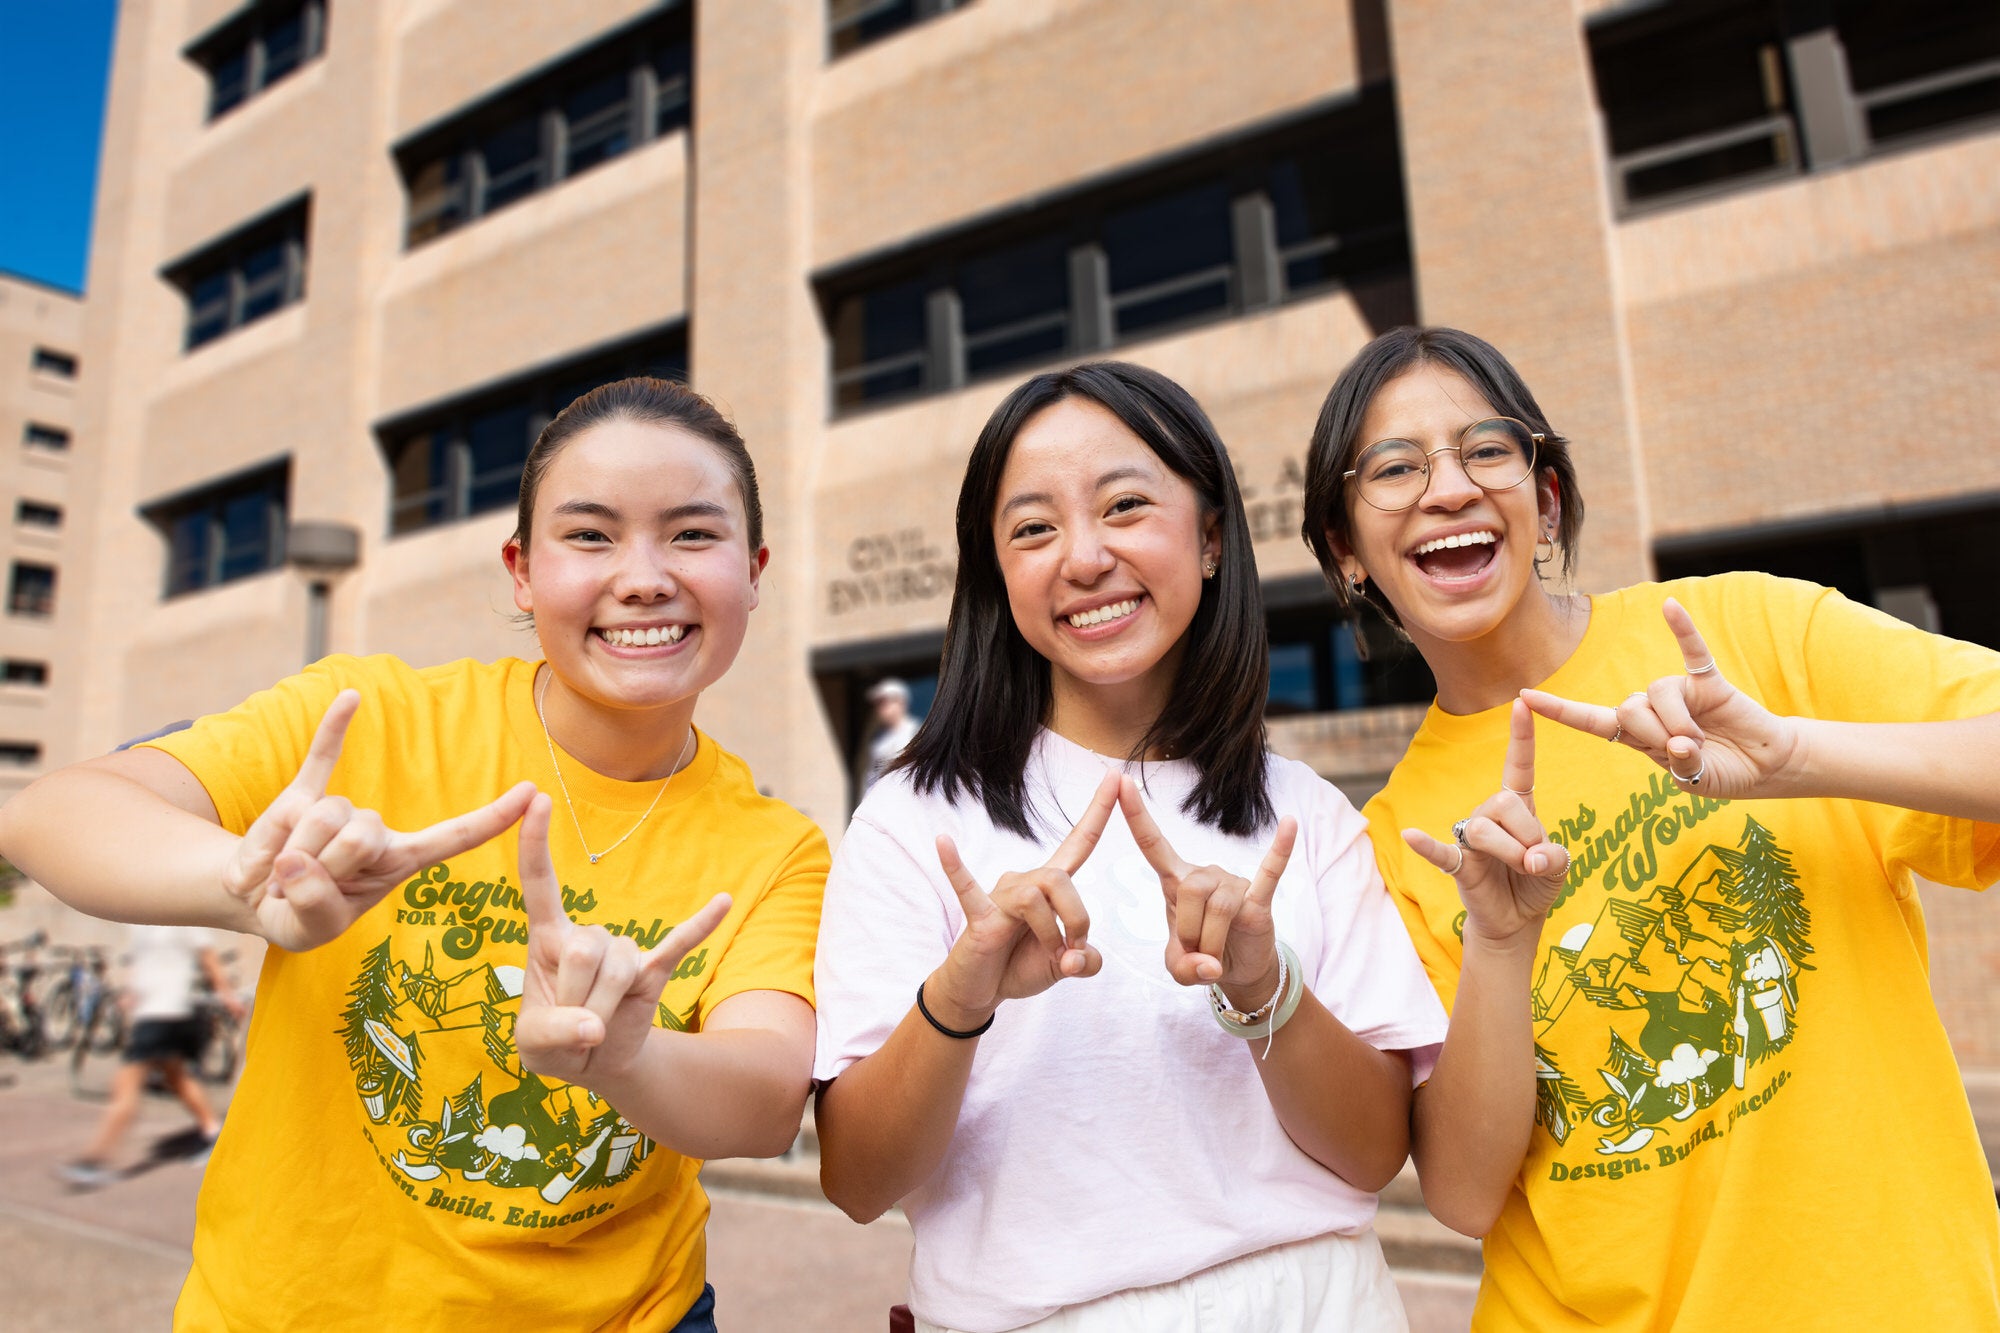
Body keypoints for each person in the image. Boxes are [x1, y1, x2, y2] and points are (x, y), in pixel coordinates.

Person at [0, 378, 828, 1332]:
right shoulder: (373, 719)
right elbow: (49, 814)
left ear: (754, 568)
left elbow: (768, 1098)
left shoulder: (774, 844)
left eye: (692, 533)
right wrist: (240, 889)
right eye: (590, 535)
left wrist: (624, 1059)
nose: (643, 576)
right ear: (521, 570)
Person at [1299, 325, 2000, 1331]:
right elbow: (1458, 1194)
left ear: (1543, 501)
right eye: (1394, 467)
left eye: (1485, 449)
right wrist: (1498, 942)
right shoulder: (1389, 842)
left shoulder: (1750, 634)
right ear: (1344, 550)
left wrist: (1800, 759)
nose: (1445, 488)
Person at [813, 361, 1448, 1333]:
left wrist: (1259, 981)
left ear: (1205, 537)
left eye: (1123, 505)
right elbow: (857, 1180)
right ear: (994, 574)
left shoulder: (1304, 813)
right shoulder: (912, 819)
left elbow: (1372, 1154)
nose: (1081, 557)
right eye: (1031, 527)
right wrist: (960, 995)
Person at [59, 925, 246, 1189]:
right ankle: (213, 1130)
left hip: (167, 1012)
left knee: (126, 1086)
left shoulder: (183, 913)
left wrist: (227, 996)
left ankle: (94, 1161)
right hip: (152, 1012)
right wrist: (130, 994)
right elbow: (140, 961)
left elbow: (208, 956)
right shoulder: (142, 917)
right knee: (176, 1077)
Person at [862, 677, 922, 791]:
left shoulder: (916, 732)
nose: (879, 709)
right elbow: (870, 777)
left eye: (883, 703)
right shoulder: (878, 739)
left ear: (900, 703)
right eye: (877, 704)